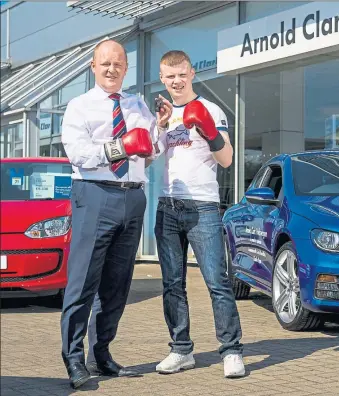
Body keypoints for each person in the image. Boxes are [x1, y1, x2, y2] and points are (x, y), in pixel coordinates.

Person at [60, 39, 172, 389]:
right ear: (94, 67)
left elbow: (151, 150)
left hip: (132, 197)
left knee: (117, 285)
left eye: (118, 64)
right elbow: (77, 153)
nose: (111, 69)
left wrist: (162, 127)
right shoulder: (79, 106)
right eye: (105, 63)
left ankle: (102, 353)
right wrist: (120, 146)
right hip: (94, 195)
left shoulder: (137, 103)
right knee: (82, 282)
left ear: (126, 68)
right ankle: (74, 358)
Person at [150, 50, 245, 378]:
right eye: (169, 76)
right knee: (172, 283)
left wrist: (207, 129)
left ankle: (231, 351)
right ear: (162, 78)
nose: (176, 81)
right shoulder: (162, 115)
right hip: (168, 206)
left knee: (217, 281)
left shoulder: (210, 109)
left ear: (191, 73)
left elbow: (227, 159)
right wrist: (158, 127)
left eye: (181, 75)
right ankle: (181, 350)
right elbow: (149, 157)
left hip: (203, 206)